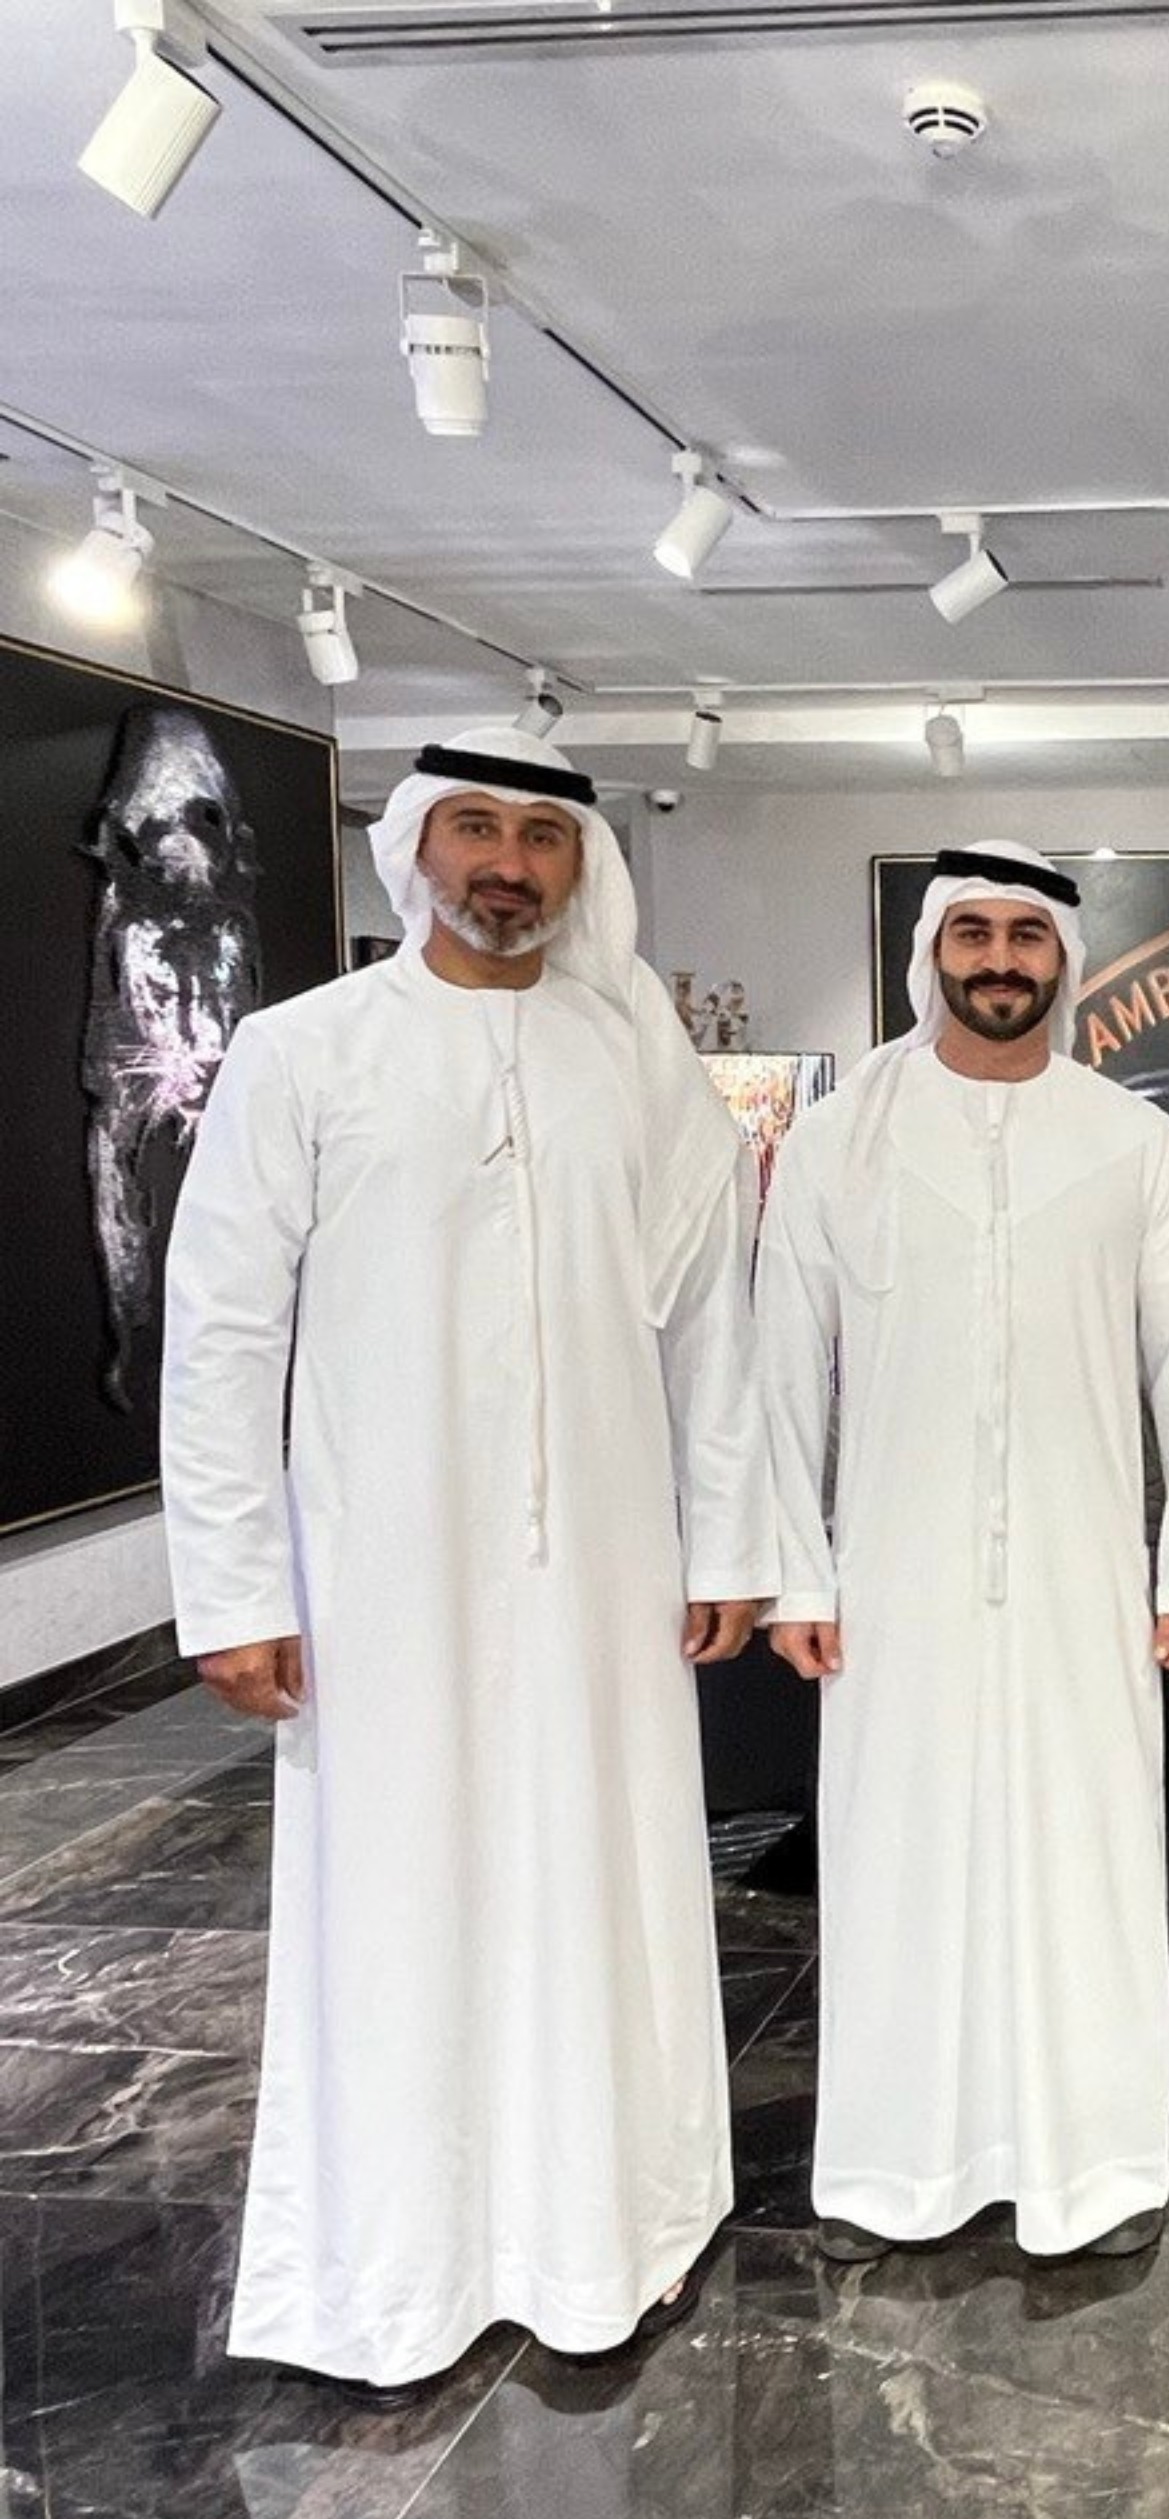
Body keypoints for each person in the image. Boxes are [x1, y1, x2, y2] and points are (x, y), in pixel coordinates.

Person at [160, 726, 774, 2402]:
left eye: (542, 836)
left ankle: (605, 2235)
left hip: (603, 1566)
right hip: (381, 1571)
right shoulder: (306, 1051)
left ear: (582, 864)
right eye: (477, 829)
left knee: (602, 1880)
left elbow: (710, 1315)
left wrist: (729, 1536)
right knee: (398, 1894)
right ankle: (398, 2265)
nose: (508, 864)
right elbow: (222, 1333)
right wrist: (233, 1589)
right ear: (418, 847)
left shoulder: (634, 1058)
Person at [758, 842, 1169, 2264]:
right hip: (891, 1580)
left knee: (1086, 1861)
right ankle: (894, 2168)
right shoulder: (842, 1139)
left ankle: (1092, 2165)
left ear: (1062, 962)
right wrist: (796, 1569)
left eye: (1028, 936)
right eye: (974, 933)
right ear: (933, 953)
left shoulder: (1132, 1141)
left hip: (1086, 1580)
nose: (1001, 960)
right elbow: (781, 1366)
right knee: (897, 1863)